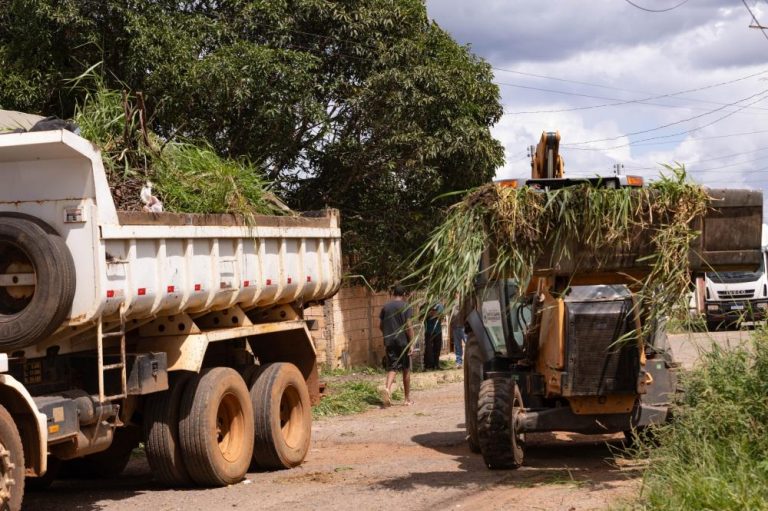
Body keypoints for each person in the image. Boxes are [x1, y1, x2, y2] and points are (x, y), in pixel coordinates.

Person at [379, 284, 414, 406]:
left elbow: (381, 326)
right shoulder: (406, 306)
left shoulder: (386, 307)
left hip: (389, 342)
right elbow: (409, 326)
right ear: (404, 294)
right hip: (403, 342)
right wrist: (411, 343)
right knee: (406, 369)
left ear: (393, 293)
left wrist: (387, 336)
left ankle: (387, 390)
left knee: (392, 368)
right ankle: (406, 399)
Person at [423, 302, 444, 370]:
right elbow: (422, 317)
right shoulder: (424, 306)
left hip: (438, 331)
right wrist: (432, 313)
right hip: (428, 331)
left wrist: (430, 313)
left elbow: (441, 316)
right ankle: (428, 365)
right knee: (428, 349)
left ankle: (436, 365)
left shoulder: (440, 305)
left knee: (437, 348)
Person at [450, 294, 467, 368]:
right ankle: (459, 362)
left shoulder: (463, 301)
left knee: (468, 343)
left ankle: (469, 361)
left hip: (463, 326)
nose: (456, 294)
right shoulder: (451, 303)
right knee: (457, 346)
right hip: (455, 327)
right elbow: (451, 316)